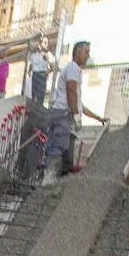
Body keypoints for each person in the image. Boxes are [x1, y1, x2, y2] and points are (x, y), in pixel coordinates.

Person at [44, 41, 109, 186]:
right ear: (77, 52)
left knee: (65, 151)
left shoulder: (75, 70)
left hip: (64, 114)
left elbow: (79, 104)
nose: (88, 55)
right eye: (86, 52)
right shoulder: (72, 69)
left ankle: (57, 182)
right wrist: (75, 116)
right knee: (58, 147)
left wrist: (98, 118)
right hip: (63, 114)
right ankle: (48, 180)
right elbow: (71, 92)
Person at [28, 36, 53, 108]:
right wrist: (29, 71)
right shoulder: (34, 54)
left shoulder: (48, 54)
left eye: (47, 43)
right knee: (33, 96)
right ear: (40, 44)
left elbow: (52, 66)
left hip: (42, 76)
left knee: (40, 98)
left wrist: (47, 72)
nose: (46, 44)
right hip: (34, 76)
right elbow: (31, 65)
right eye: (45, 42)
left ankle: (39, 113)